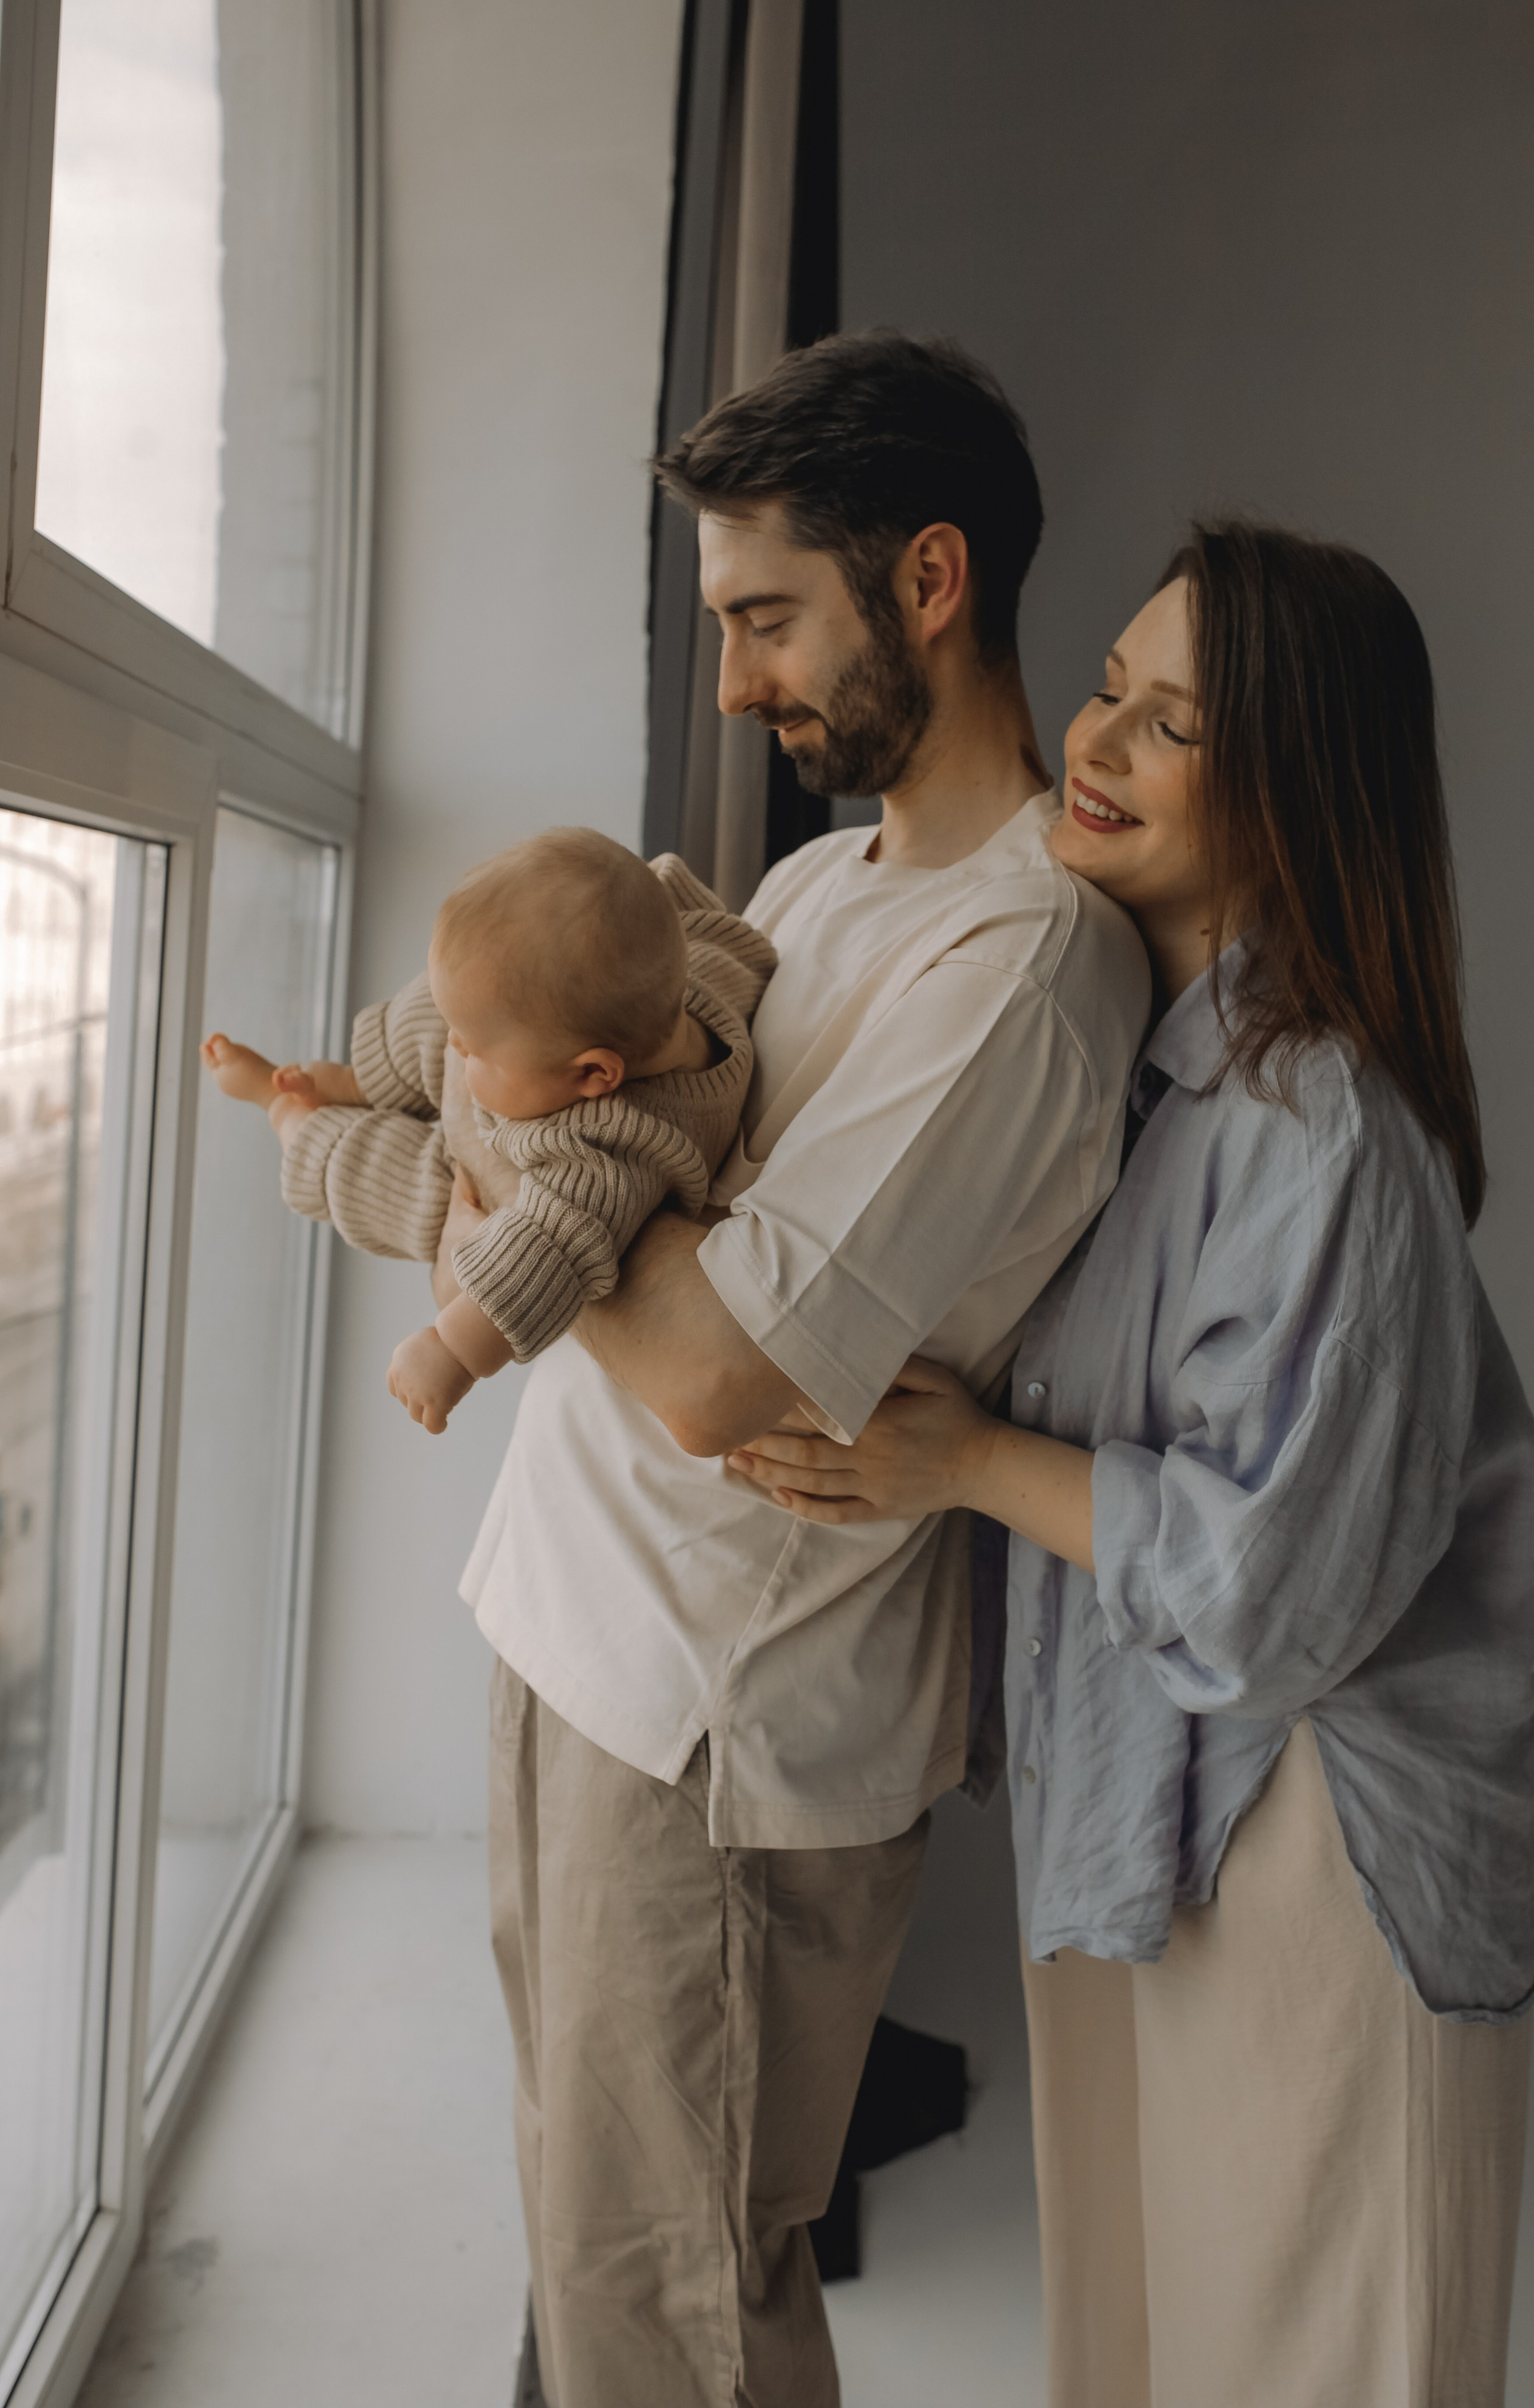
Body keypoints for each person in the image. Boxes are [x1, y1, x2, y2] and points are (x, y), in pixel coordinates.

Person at [727, 521, 1534, 2408]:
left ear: (1292, 783)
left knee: (1298, 2354)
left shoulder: (1313, 1118)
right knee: (1147, 2339)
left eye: (1171, 722)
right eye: (1108, 683)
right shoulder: (1140, 1054)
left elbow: (1270, 1589)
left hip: (1308, 1841)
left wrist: (962, 1458)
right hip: (1154, 1806)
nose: (1094, 740)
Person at [439, 333, 1150, 2408]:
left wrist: (516, 1156)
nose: (740, 681)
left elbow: (706, 1373)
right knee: (591, 2257)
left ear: (928, 580)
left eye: (768, 618)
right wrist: (548, 1162)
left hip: (720, 1745)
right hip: (576, 1647)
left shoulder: (1018, 963)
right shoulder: (818, 885)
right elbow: (621, 1198)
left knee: (672, 2306)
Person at [201, 830, 775, 1426]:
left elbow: (547, 1249)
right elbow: (685, 907)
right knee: (456, 997)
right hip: (529, 1085)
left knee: (417, 1190)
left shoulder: (615, 1150)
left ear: (593, 1074)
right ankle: (356, 1080)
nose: (458, 1048)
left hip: (498, 1176)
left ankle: (292, 1118)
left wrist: (453, 1349)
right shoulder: (686, 971)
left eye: (474, 1051)